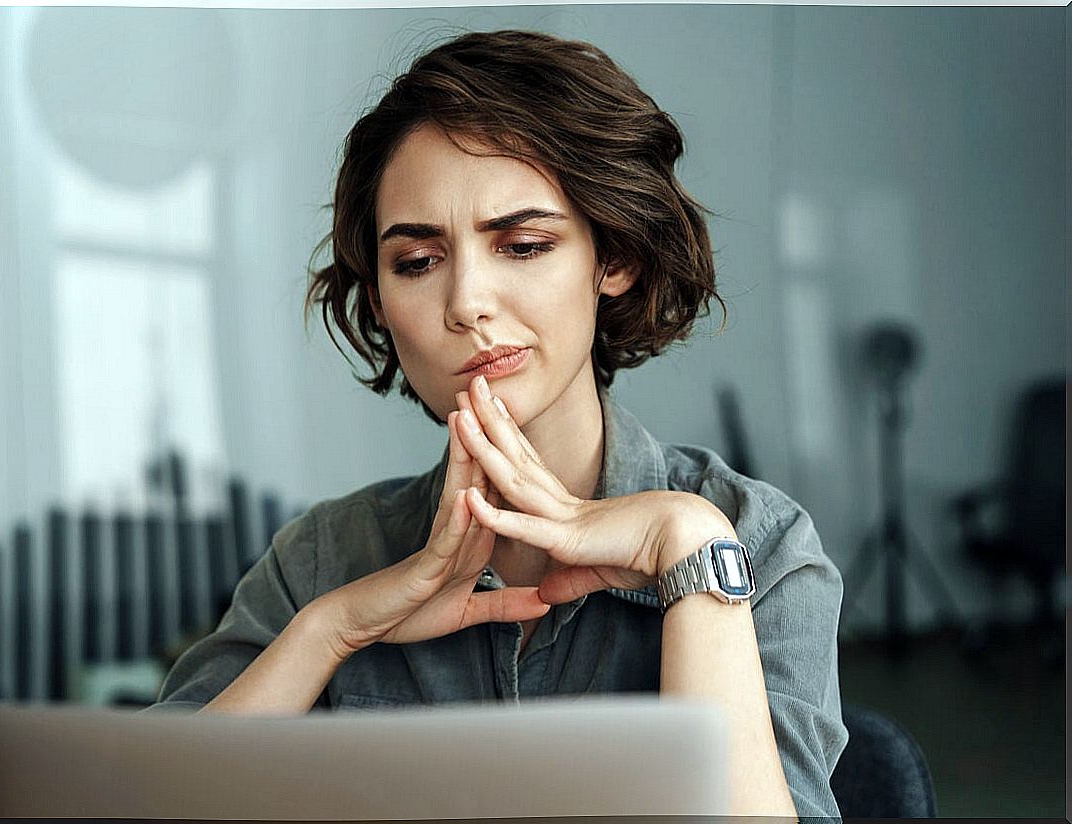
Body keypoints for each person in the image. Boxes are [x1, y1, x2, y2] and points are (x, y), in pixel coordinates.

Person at [152, 29, 847, 819]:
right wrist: (331, 631)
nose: (464, 303)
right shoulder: (323, 562)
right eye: (417, 263)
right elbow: (143, 804)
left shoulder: (759, 546)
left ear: (611, 258)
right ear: (379, 301)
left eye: (521, 245)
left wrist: (687, 549)